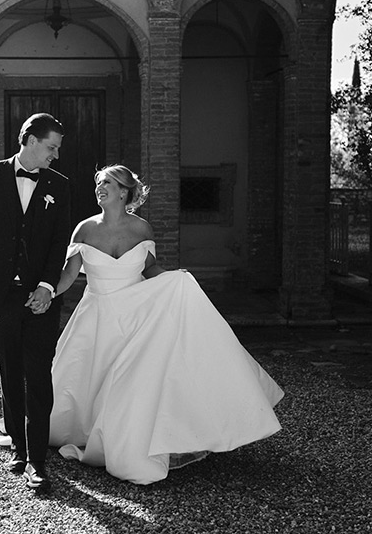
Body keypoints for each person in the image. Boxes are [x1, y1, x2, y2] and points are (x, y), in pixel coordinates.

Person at [48, 164, 284, 485]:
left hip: (136, 319)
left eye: (108, 183)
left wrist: (178, 280)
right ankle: (82, 429)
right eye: (99, 183)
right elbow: (67, 275)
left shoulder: (142, 229)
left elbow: (150, 270)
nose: (100, 188)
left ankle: (122, 438)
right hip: (96, 317)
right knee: (85, 376)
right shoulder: (84, 230)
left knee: (128, 382)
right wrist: (45, 293)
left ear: (123, 192)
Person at [0, 113, 72, 493]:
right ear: (30, 140)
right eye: (51, 147)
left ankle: (38, 461)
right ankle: (18, 450)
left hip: (40, 296)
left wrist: (47, 287)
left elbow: (60, 244)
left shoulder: (60, 185)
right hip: (1, 293)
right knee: (9, 370)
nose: (55, 155)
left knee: (38, 375)